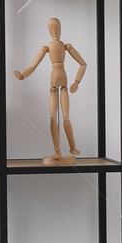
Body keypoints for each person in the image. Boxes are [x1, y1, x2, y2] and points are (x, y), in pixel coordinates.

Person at [14, 18, 87, 165]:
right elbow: (33, 66)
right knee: (53, 118)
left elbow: (83, 63)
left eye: (56, 27)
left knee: (66, 117)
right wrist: (22, 75)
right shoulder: (46, 48)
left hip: (64, 82)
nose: (54, 30)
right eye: (51, 28)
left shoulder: (67, 46)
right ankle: (57, 150)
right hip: (54, 83)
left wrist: (77, 82)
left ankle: (72, 147)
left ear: (60, 28)